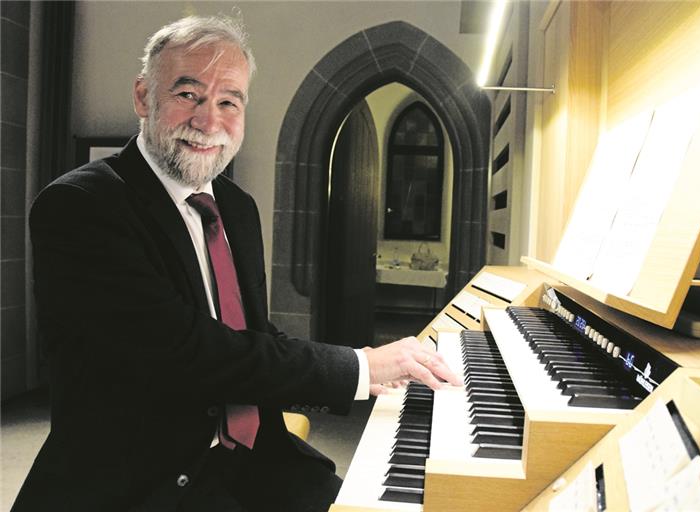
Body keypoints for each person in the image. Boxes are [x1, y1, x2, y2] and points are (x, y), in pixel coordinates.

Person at [13, 15, 460, 512]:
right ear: (143, 97)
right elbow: (188, 351)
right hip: (142, 482)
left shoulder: (235, 207)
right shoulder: (80, 205)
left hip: (251, 458)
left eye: (229, 101)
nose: (209, 122)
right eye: (188, 95)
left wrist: (367, 369)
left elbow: (249, 332)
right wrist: (354, 367)